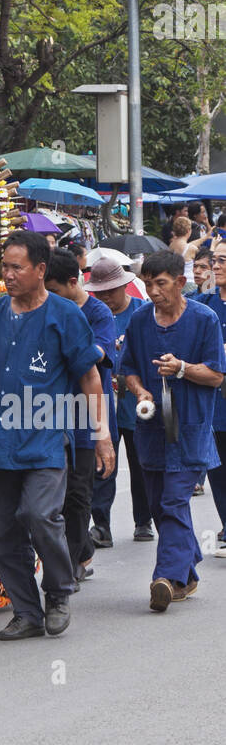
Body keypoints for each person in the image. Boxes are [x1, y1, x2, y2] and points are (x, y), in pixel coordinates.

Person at [0, 231, 113, 641]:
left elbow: (88, 374)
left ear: (40, 270)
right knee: (2, 532)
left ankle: (59, 592)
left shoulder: (65, 315)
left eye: (17, 267)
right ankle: (27, 613)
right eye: (4, 267)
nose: (8, 275)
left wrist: (101, 437)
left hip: (45, 436)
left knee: (39, 515)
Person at [118, 249, 225, 611]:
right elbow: (127, 368)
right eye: (148, 285)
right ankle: (188, 568)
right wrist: (140, 390)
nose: (153, 292)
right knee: (159, 505)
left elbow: (215, 376)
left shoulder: (205, 319)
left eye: (160, 284)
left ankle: (167, 578)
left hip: (191, 429)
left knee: (174, 501)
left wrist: (181, 369)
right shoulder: (138, 321)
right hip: (150, 428)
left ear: (180, 282)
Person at [44, 247, 117, 585]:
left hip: (88, 417)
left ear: (73, 283)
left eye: (54, 290)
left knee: (77, 492)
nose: (49, 297)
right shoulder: (43, 309)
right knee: (51, 495)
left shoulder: (99, 313)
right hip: (48, 414)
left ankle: (71, 562)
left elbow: (98, 355)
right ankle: (82, 547)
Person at [85, 257, 152, 544]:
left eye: (110, 291)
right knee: (102, 463)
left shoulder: (141, 313)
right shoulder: (91, 315)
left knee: (140, 464)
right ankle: (101, 526)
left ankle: (143, 521)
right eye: (99, 293)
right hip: (102, 399)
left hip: (133, 400)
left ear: (124, 286)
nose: (105, 298)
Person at [192, 240, 226, 559]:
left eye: (222, 261)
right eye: (214, 260)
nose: (216, 266)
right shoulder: (204, 305)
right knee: (217, 470)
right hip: (213, 403)